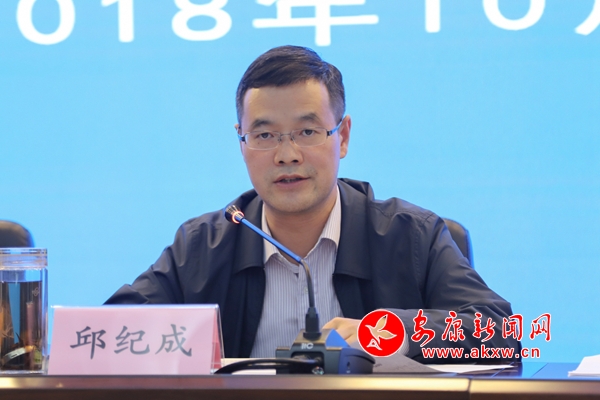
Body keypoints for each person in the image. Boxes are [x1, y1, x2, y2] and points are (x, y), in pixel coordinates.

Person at [106, 45, 520, 362]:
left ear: (343, 137)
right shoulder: (204, 245)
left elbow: (502, 333)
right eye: (264, 136)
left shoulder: (410, 236)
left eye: (307, 132)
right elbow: (110, 333)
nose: (287, 155)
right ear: (241, 142)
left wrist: (392, 331)